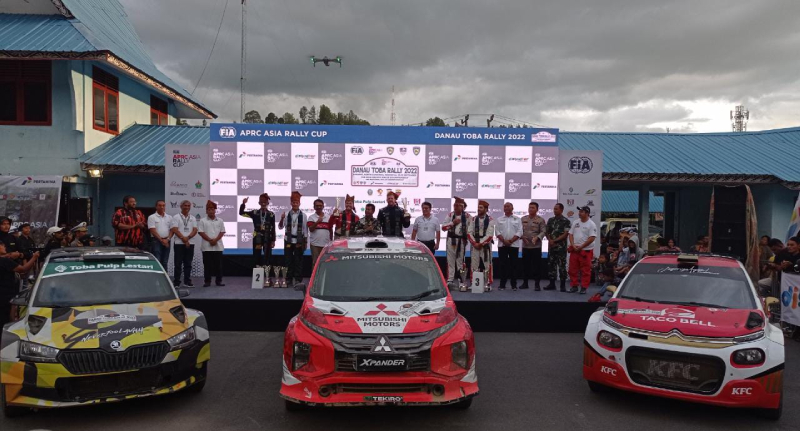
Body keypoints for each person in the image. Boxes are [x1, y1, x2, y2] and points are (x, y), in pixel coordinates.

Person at [0, 242, 39, 325]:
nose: (4, 246)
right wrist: (34, 257)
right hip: (7, 295)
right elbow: (23, 269)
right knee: (8, 319)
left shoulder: (5, 259)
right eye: (2, 245)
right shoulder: (5, 261)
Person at [240, 193, 277, 274]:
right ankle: (257, 275)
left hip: (267, 238)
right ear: (259, 203)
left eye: (265, 202)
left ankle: (267, 276)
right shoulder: (254, 212)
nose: (263, 204)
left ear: (268, 203)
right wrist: (243, 204)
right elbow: (241, 213)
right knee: (257, 256)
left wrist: (273, 240)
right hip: (257, 237)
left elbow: (273, 228)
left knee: (267, 257)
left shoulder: (271, 214)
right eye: (261, 202)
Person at [278, 191, 308, 288]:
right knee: (288, 260)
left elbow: (305, 230)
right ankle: (288, 278)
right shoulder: (286, 214)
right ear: (291, 203)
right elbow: (280, 227)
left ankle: (298, 279)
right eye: (293, 202)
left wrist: (305, 242)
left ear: (299, 203)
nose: (295, 204)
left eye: (297, 202)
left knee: (298, 260)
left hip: (299, 241)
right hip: (288, 240)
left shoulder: (303, 215)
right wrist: (281, 219)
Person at [442, 196, 471, 288]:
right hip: (451, 240)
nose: (455, 207)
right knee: (450, 261)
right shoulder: (450, 215)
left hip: (461, 241)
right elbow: (443, 228)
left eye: (458, 205)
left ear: (462, 207)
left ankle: (461, 280)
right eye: (455, 205)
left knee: (460, 262)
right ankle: (450, 280)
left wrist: (467, 239)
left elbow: (471, 229)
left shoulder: (467, 216)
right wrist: (453, 223)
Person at [568, 206, 597, 294]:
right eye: (579, 211)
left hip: (585, 250)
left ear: (587, 213)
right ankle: (574, 285)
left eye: (582, 212)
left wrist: (581, 247)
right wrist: (573, 245)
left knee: (585, 270)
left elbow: (592, 238)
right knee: (572, 269)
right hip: (575, 249)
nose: (579, 213)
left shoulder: (591, 224)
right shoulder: (576, 222)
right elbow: (570, 234)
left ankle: (584, 287)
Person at [468, 200, 494, 292]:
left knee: (487, 265)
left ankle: (488, 283)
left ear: (486, 209)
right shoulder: (473, 219)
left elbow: (490, 235)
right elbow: (469, 232)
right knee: (474, 264)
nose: (478, 209)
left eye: (481, 208)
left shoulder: (490, 220)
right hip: (475, 245)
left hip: (485, 246)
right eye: (478, 207)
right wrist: (474, 243)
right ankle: (474, 283)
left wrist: (481, 243)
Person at [197, 200, 225, 287]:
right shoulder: (202, 221)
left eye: (212, 209)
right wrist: (210, 240)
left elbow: (222, 232)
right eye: (209, 209)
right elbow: (201, 232)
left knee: (218, 266)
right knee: (207, 265)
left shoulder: (220, 220)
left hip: (218, 246)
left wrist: (215, 240)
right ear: (206, 211)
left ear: (215, 210)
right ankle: (207, 281)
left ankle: (218, 281)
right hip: (206, 247)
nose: (211, 211)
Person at [495, 202, 522, 291]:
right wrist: (504, 241)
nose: (506, 208)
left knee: (514, 265)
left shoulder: (517, 219)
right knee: (502, 265)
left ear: (512, 208)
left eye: (508, 206)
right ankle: (502, 285)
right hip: (502, 245)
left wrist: (511, 241)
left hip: (514, 245)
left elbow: (520, 232)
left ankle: (514, 285)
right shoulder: (499, 219)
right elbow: (497, 232)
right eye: (505, 206)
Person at [170, 200, 198, 287]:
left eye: (188, 206)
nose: (187, 207)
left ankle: (187, 281)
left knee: (188, 263)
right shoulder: (176, 217)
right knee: (178, 263)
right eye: (185, 205)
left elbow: (195, 230)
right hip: (179, 243)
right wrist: (184, 239)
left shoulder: (193, 218)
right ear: (181, 206)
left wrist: (188, 238)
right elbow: (175, 229)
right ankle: (176, 282)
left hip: (190, 243)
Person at [545, 203, 571, 291]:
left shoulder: (566, 221)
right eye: (554, 209)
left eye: (556, 209)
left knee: (562, 266)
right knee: (551, 265)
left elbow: (565, 234)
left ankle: (562, 285)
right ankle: (552, 284)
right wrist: (550, 240)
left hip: (561, 248)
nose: (554, 210)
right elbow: (547, 232)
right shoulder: (550, 220)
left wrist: (555, 241)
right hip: (551, 247)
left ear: (561, 210)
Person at [521, 201, 547, 290]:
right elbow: (519, 231)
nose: (530, 209)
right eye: (530, 207)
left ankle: (537, 284)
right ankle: (525, 283)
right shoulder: (523, 219)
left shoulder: (540, 220)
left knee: (537, 266)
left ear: (537, 209)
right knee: (525, 266)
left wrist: (537, 237)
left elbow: (543, 231)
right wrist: (522, 237)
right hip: (525, 246)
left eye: (533, 208)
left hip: (536, 247)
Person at [146, 200, 172, 269]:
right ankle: (157, 275)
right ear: (156, 207)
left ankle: (164, 275)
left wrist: (167, 239)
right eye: (160, 205)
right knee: (157, 260)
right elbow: (152, 230)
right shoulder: (152, 217)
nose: (162, 207)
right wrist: (161, 240)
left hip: (167, 240)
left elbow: (172, 230)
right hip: (156, 241)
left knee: (165, 261)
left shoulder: (169, 217)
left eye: (163, 205)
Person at [308, 199, 334, 266]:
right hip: (315, 245)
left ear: (323, 206)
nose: (319, 207)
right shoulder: (311, 217)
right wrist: (317, 222)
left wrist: (331, 241)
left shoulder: (328, 217)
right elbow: (311, 229)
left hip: (326, 244)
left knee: (326, 262)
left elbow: (331, 230)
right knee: (315, 263)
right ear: (314, 207)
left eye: (320, 205)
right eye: (317, 206)